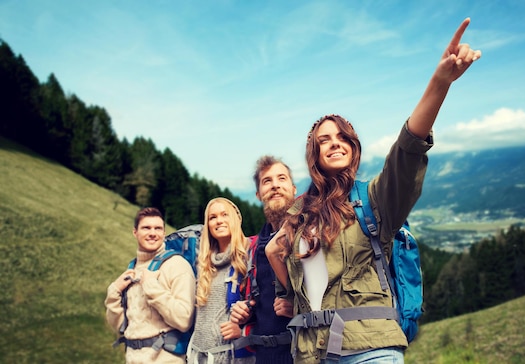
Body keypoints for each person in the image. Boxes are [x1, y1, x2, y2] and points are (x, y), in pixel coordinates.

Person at [265, 18, 481, 363]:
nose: (334, 144)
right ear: (315, 155)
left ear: (353, 146)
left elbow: (406, 152)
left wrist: (440, 83)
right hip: (311, 353)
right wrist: (278, 263)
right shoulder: (298, 215)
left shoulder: (375, 200)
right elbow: (285, 275)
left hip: (369, 350)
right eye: (324, 141)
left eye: (342, 137)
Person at [105, 207, 196, 363]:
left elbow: (184, 320)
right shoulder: (131, 270)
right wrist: (114, 292)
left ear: (164, 232)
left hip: (166, 359)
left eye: (158, 228)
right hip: (133, 358)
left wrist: (152, 288)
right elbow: (121, 326)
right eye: (146, 228)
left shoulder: (177, 265)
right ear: (135, 232)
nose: (153, 233)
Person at [229, 156, 298, 364]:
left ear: (294, 189)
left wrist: (298, 307)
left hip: (305, 354)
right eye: (267, 181)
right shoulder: (254, 248)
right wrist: (245, 312)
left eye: (281, 178)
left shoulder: (310, 236)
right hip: (264, 356)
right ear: (259, 194)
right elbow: (260, 301)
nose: (275, 185)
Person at [187, 197, 255, 364]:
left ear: (237, 219)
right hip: (199, 355)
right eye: (213, 217)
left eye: (225, 214)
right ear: (207, 225)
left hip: (233, 356)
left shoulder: (250, 256)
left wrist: (245, 330)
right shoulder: (204, 263)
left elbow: (266, 307)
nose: (219, 221)